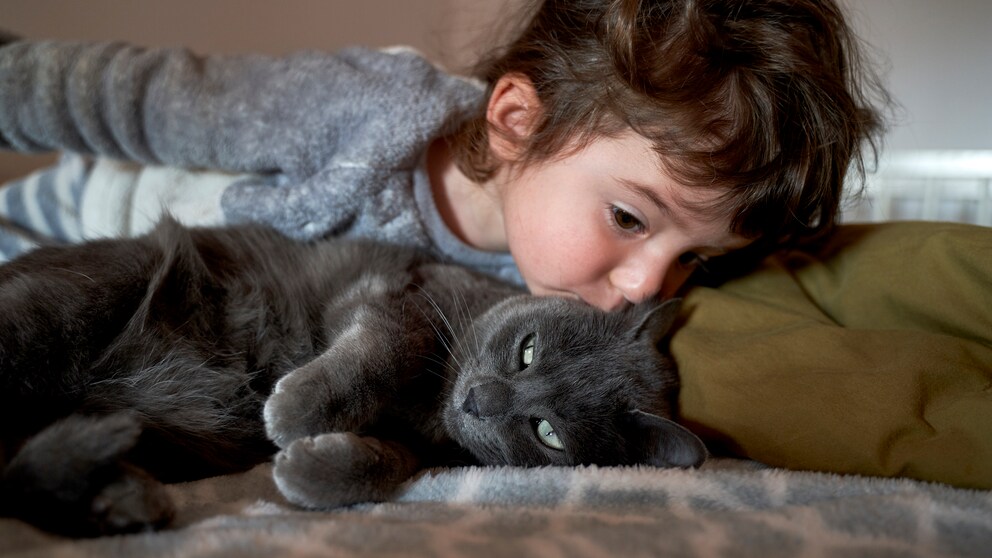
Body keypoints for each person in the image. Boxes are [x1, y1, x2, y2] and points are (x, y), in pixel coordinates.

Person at [0, 0, 885, 311]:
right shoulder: (362, 112)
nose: (651, 285)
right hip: (84, 220)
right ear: (515, 121)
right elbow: (153, 100)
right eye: (629, 219)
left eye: (694, 256)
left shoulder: (549, 290)